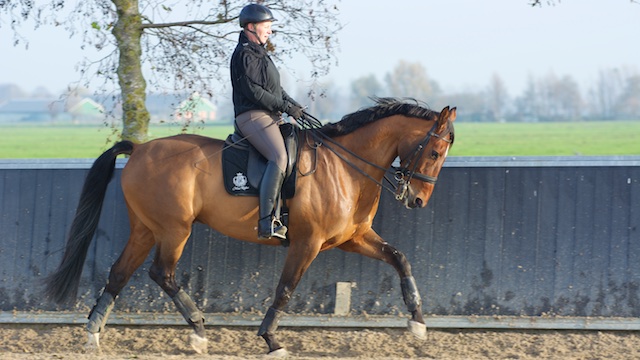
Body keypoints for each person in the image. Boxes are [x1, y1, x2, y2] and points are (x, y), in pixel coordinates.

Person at [230, 4, 304, 240]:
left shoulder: (260, 53)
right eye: (267, 26)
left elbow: (275, 88)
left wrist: (293, 105)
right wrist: (284, 107)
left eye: (270, 27)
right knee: (279, 156)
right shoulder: (244, 54)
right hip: (252, 115)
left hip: (268, 115)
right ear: (251, 27)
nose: (270, 31)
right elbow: (254, 92)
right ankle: (267, 222)